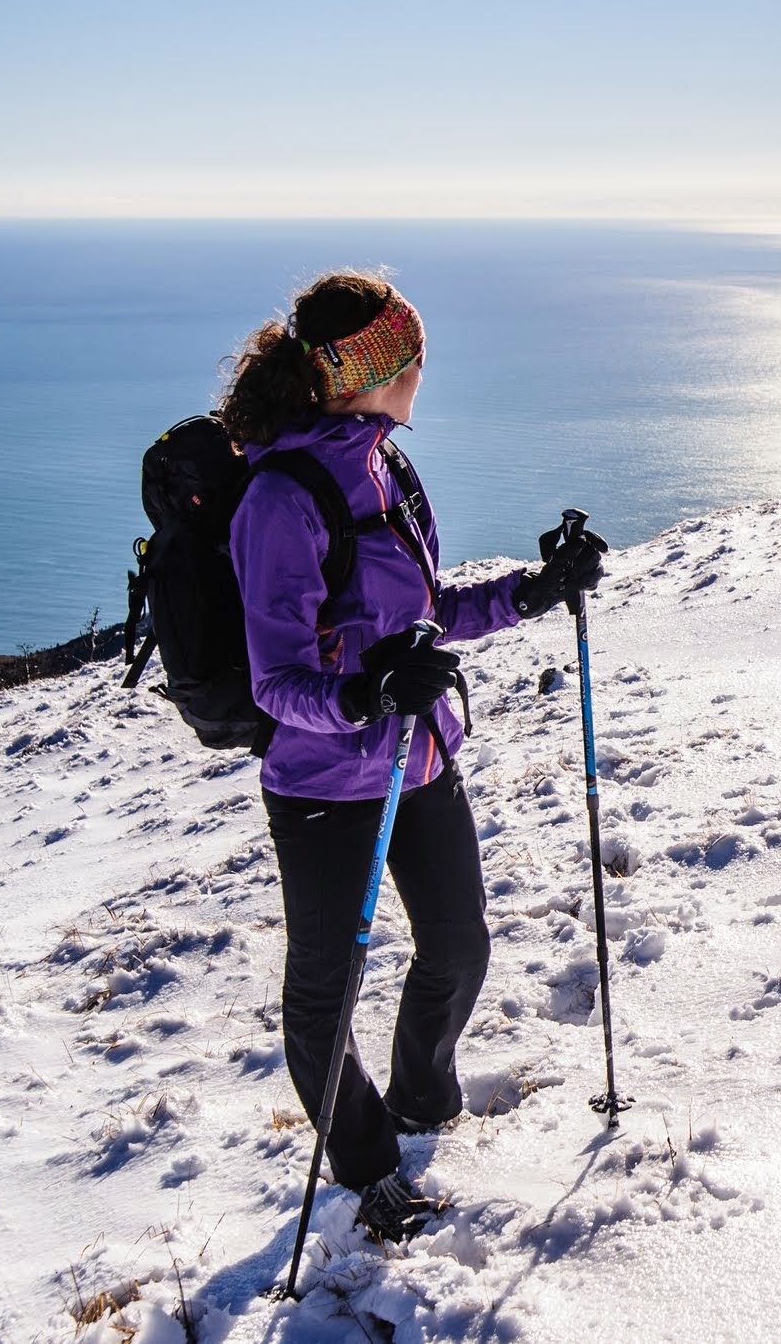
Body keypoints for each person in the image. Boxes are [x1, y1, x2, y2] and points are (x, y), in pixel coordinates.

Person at [220, 272, 605, 1241]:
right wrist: (364, 693)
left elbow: (421, 618)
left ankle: (421, 1098)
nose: (422, 368)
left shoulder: (386, 466)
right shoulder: (280, 497)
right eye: (408, 353)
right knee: (323, 992)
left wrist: (534, 588)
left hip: (416, 758)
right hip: (320, 784)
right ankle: (365, 1166)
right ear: (370, 371)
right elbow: (276, 680)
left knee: (459, 943)